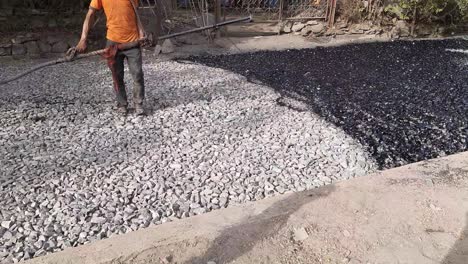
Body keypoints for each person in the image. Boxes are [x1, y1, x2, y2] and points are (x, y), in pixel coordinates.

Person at [76, 0, 146, 115]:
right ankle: (122, 104)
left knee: (137, 74)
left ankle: (138, 103)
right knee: (117, 76)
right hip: (113, 43)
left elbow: (135, 12)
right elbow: (90, 14)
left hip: (133, 41)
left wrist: (141, 31)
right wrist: (83, 39)